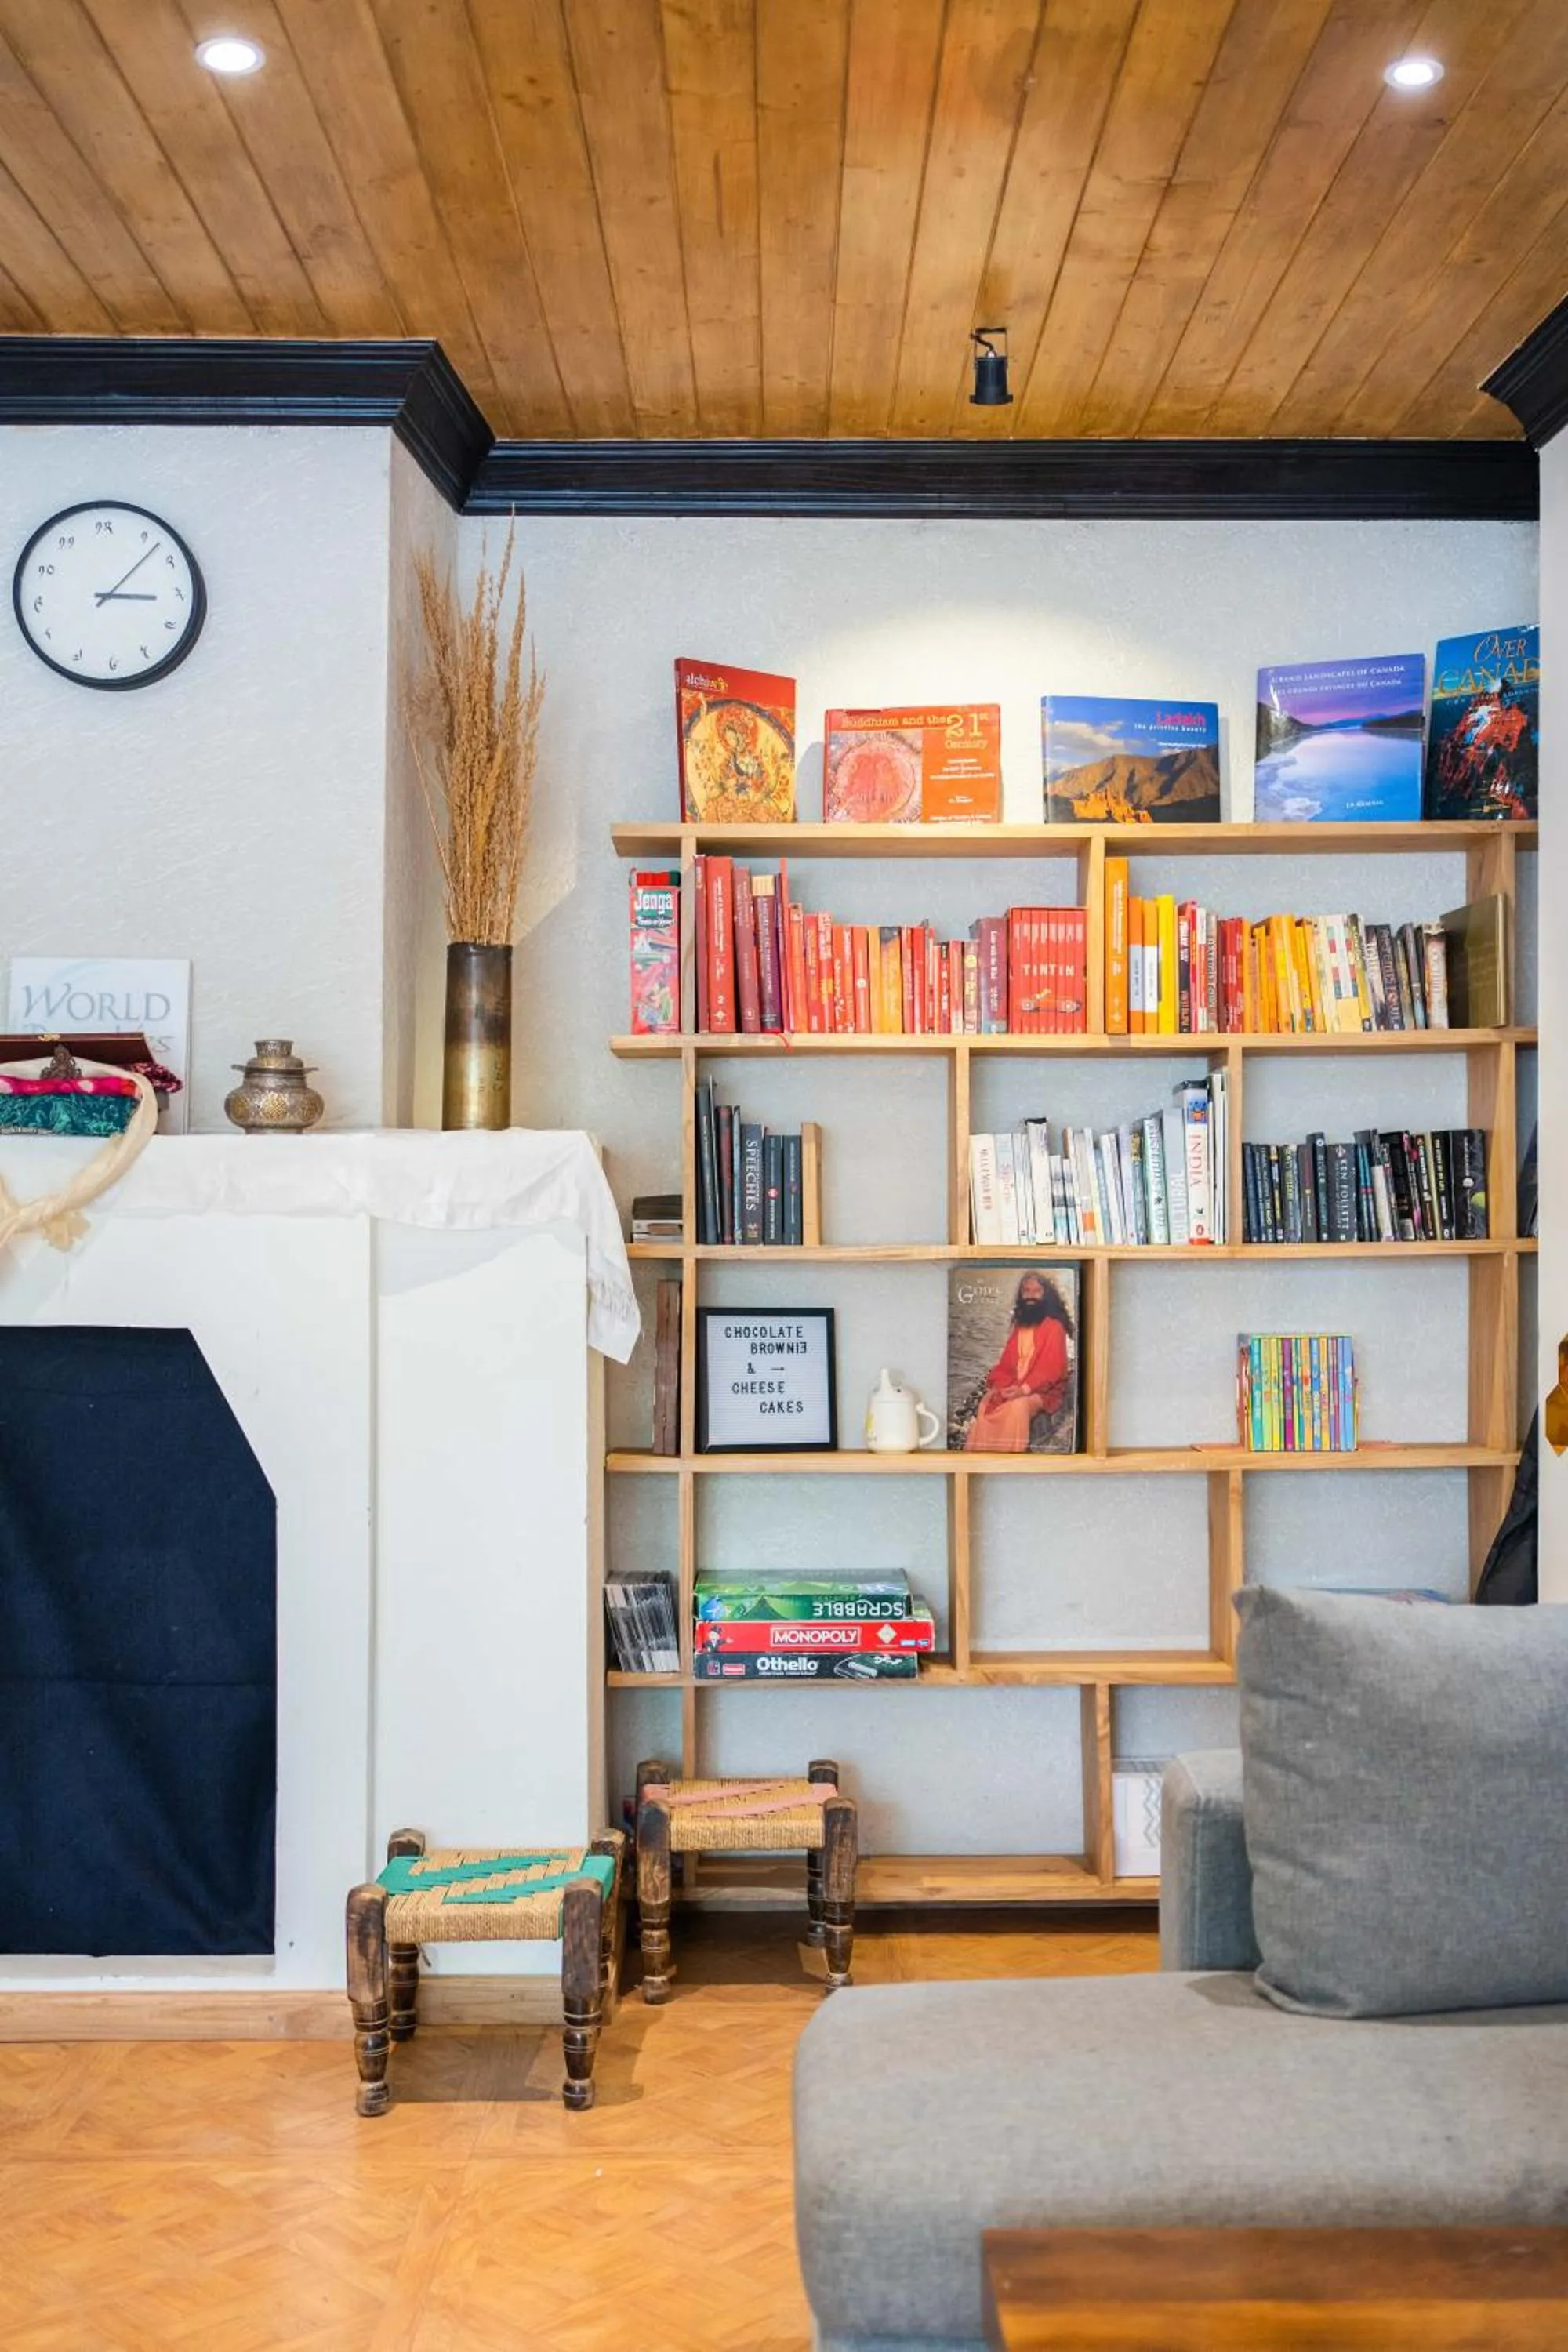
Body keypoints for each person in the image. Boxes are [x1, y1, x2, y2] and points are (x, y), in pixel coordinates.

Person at [964, 1272, 1073, 1452]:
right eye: (1027, 1291)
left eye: (1037, 1291)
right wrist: (1000, 1387)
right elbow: (1007, 1364)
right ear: (1021, 1294)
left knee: (1016, 1408)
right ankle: (981, 1458)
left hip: (1043, 1391)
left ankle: (1009, 1457)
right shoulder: (1020, 1326)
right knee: (986, 1402)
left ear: (1046, 1295)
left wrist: (1022, 1390)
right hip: (1017, 1385)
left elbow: (1052, 1370)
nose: (1031, 1296)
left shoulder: (1054, 1326)